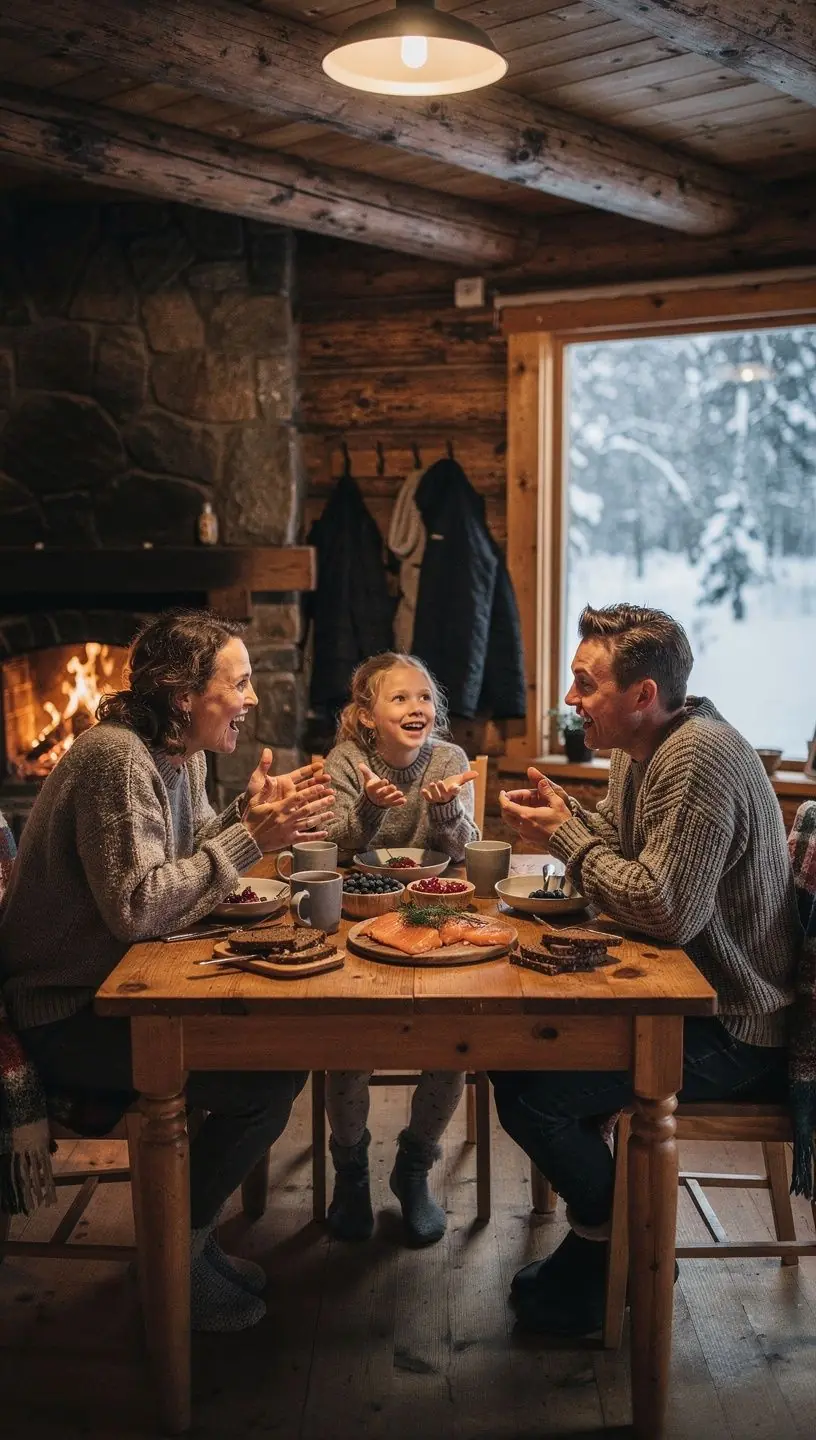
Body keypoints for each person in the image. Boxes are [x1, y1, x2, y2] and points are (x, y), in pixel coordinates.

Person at [0, 609, 334, 1332]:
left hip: (123, 989)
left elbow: (185, 856)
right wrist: (249, 839)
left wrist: (245, 816)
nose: (250, 698)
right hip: (66, 1011)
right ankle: (176, 1253)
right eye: (237, 683)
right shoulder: (115, 759)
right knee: (266, 1079)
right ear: (184, 695)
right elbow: (140, 904)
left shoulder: (179, 755)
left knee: (278, 1063)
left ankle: (189, 1239)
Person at [493, 603, 801, 1337]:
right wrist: (566, 811)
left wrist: (563, 835)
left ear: (641, 696)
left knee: (531, 1091)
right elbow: (629, 846)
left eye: (583, 684)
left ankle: (611, 1243)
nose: (570, 701)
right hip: (685, 1003)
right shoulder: (648, 748)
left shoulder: (697, 758)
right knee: (518, 1053)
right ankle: (606, 1238)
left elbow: (664, 908)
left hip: (735, 1028)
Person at [322, 652, 480, 1245]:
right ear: (367, 716)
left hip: (435, 916)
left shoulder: (449, 758)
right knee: (349, 1038)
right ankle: (351, 1173)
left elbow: (463, 846)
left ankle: (414, 1169)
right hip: (359, 919)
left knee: (453, 1038)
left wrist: (442, 809)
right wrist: (368, 805)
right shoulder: (346, 760)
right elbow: (337, 844)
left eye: (424, 697)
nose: (418, 708)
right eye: (400, 698)